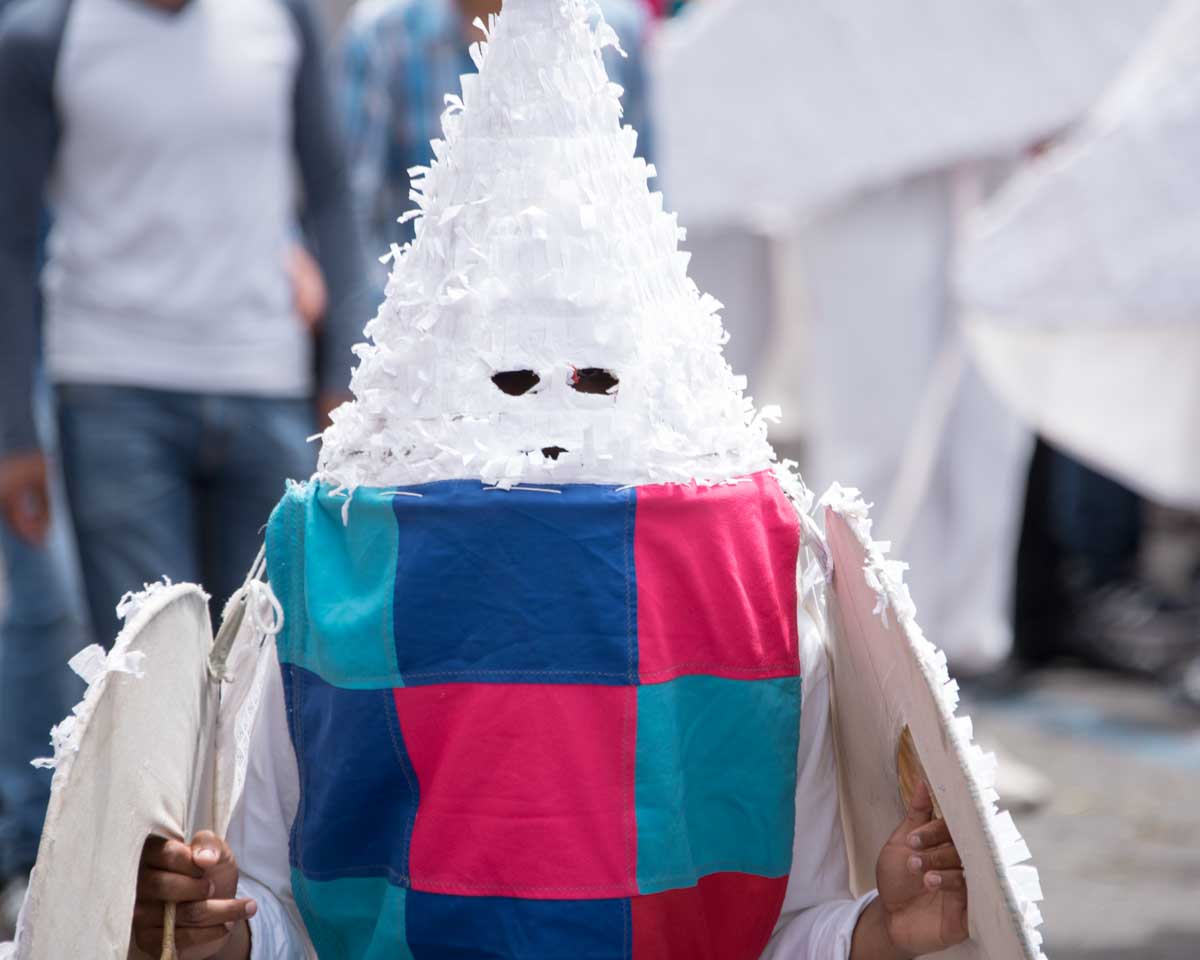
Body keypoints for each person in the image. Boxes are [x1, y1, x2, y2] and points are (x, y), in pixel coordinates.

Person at [126, 3, 969, 957]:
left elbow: (778, 922)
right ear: (443, 354)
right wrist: (216, 931)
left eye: (597, 378)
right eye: (514, 377)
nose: (553, 425)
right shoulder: (325, 570)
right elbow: (279, 910)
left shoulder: (757, 581)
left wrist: (882, 933)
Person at [0, 0, 370, 646]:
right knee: (149, 679)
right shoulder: (47, 33)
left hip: (265, 382)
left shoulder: (283, 17)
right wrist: (13, 434)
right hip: (112, 392)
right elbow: (10, 241)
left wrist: (344, 371)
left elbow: (333, 199)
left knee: (268, 671)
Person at [338, 0, 654, 292]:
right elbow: (351, 218)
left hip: (583, 331)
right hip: (430, 331)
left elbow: (638, 210)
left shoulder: (612, 32)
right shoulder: (382, 39)